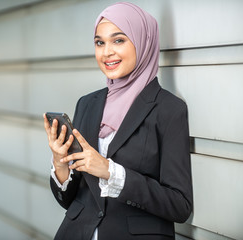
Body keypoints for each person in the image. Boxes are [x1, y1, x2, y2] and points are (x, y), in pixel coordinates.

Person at [43, 2, 193, 240]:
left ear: (143, 42)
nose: (106, 52)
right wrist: (60, 163)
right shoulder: (87, 104)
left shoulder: (169, 110)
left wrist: (111, 172)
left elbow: (180, 205)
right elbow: (70, 200)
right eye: (99, 42)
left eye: (118, 40)